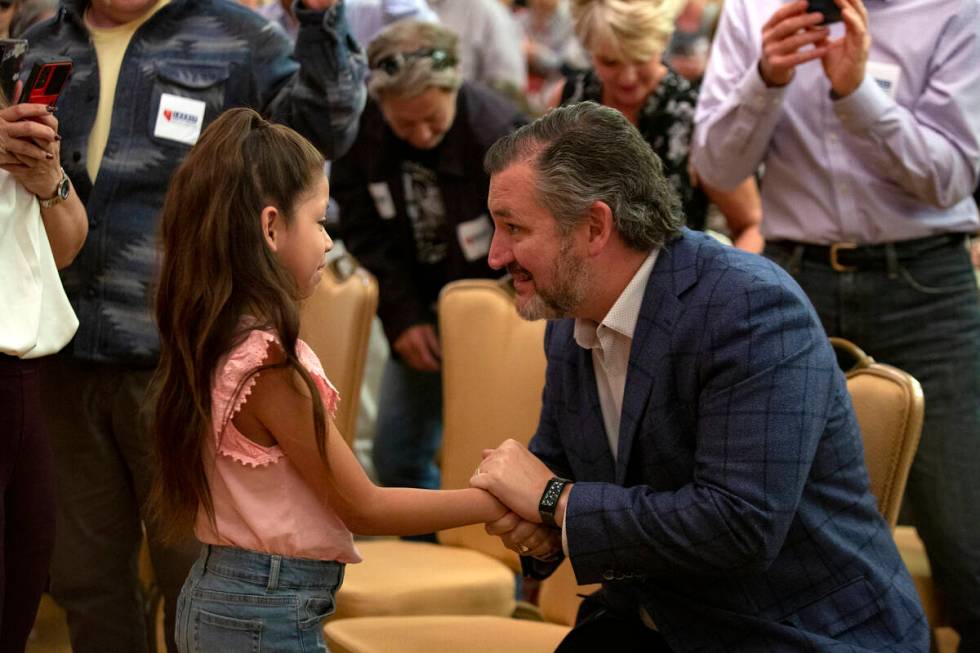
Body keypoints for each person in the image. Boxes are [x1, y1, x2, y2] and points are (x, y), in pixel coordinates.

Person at [470, 102, 928, 651]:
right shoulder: (569, 317)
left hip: (794, 632)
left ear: (594, 226)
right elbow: (555, 473)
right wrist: (538, 527)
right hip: (656, 620)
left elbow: (738, 526)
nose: (495, 256)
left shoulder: (748, 308)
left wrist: (551, 502)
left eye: (514, 228)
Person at [21, 1, 367, 651]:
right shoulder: (39, 44)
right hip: (60, 354)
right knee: (85, 581)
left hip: (183, 366)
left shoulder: (238, 37)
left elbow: (322, 134)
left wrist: (321, 20)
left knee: (196, 578)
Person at [152, 107, 506, 653]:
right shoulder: (268, 367)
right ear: (271, 227)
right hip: (262, 615)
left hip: (229, 596)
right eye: (319, 221)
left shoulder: (213, 334)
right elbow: (363, 506)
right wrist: (499, 501)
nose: (327, 242)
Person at [691, 0, 980, 648]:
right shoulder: (752, 10)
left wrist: (856, 94)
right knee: (788, 535)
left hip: (925, 285)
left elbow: (955, 175)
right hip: (798, 285)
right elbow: (715, 168)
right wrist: (764, 80)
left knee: (965, 536)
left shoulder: (954, 10)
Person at [332, 20, 525, 495]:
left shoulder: (499, 133)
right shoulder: (364, 135)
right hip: (417, 309)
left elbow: (530, 237)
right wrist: (402, 319)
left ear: (454, 86)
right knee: (395, 458)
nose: (420, 134)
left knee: (492, 458)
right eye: (406, 124)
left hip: (499, 312)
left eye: (433, 120)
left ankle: (495, 565)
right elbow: (363, 231)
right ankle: (429, 546)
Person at [554, 0, 762, 251]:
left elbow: (752, 225)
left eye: (641, 58)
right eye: (610, 62)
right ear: (590, 50)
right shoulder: (569, 101)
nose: (628, 77)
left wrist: (721, 287)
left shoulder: (694, 117)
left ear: (661, 44)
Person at [0, 92, 87, 653]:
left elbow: (67, 246)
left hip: (24, 373)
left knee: (23, 582)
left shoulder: (13, 93)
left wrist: (48, 176)